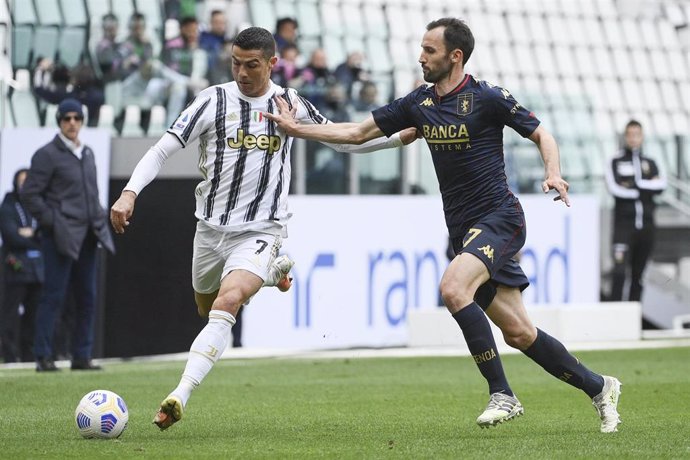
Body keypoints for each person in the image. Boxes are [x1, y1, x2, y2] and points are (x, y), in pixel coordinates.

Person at [265, 17, 622, 433]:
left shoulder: (487, 96)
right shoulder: (419, 102)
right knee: (520, 333)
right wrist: (296, 129)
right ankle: (600, 387)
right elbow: (357, 133)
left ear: (455, 56)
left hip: (500, 218)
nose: (421, 57)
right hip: (464, 231)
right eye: (421, 48)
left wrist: (553, 172)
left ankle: (502, 394)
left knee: (453, 288)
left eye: (429, 50)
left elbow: (542, 134)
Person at [109, 26, 415, 431]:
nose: (242, 73)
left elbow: (341, 139)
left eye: (251, 65)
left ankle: (178, 395)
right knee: (205, 307)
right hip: (210, 229)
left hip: (261, 228)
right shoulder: (212, 100)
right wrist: (129, 192)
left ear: (272, 63)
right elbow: (163, 147)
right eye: (236, 63)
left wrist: (394, 141)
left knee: (227, 302)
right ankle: (273, 273)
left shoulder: (290, 103)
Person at [20, 98, 115, 372]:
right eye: (66, 118)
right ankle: (43, 356)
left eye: (76, 118)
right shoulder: (46, 154)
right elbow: (30, 195)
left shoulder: (87, 153)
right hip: (60, 236)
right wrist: (53, 221)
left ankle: (81, 356)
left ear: (83, 121)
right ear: (59, 122)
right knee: (53, 296)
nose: (72, 123)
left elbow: (92, 192)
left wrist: (98, 217)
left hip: (88, 234)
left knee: (87, 297)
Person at [605, 120, 666, 302]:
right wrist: (646, 188)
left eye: (637, 134)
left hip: (646, 226)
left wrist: (636, 184)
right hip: (623, 227)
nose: (633, 138)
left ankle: (634, 316)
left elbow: (661, 184)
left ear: (642, 137)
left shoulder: (650, 162)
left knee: (639, 275)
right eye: (630, 134)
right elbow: (615, 188)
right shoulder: (615, 160)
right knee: (619, 272)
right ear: (625, 136)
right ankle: (615, 315)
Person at [0, 169, 43, 363]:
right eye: (22, 181)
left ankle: (29, 355)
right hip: (16, 268)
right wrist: (33, 236)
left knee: (34, 315)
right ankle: (9, 354)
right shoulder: (8, 204)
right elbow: (11, 236)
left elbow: (45, 233)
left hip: (37, 270)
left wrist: (31, 233)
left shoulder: (37, 203)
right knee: (10, 313)